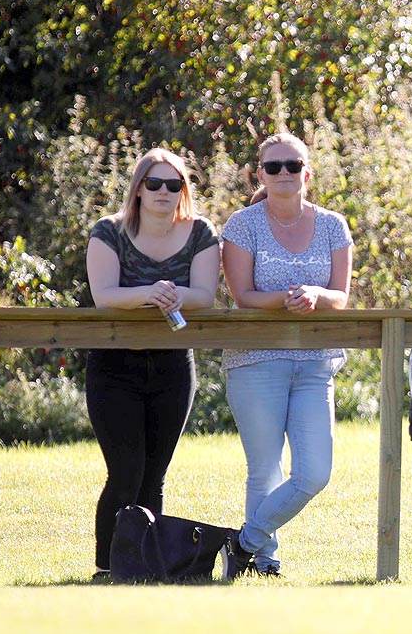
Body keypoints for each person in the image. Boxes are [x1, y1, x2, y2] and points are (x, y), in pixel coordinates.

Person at [219, 132, 353, 578]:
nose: (283, 174)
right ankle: (264, 561)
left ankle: (243, 543)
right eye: (273, 167)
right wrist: (285, 300)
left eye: (292, 166)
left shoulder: (334, 225)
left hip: (317, 362)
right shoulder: (242, 224)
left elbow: (342, 296)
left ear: (306, 173)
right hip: (256, 359)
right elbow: (242, 296)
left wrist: (316, 293)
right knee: (265, 467)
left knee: (314, 473)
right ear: (260, 174)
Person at [84, 148, 220, 579]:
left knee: (154, 477)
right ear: (139, 188)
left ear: (184, 190)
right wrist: (149, 291)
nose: (164, 192)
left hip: (173, 367)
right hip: (114, 367)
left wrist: (176, 294)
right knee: (125, 473)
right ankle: (107, 566)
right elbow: (103, 295)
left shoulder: (201, 232)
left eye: (173, 184)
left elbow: (204, 295)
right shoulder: (109, 231)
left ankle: (140, 565)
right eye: (154, 183)